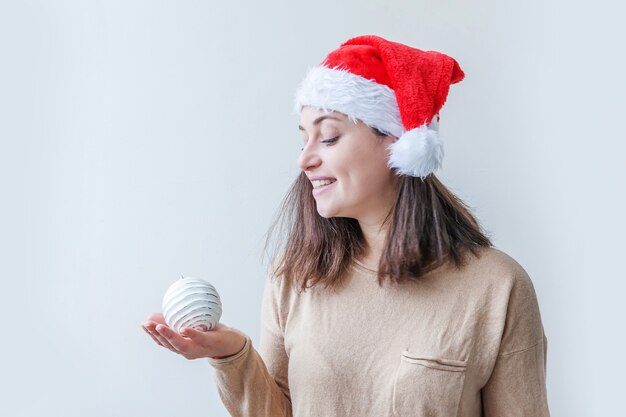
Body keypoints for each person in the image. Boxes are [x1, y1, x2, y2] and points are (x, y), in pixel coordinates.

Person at [142, 35, 550, 417]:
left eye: (330, 137)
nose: (304, 160)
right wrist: (232, 354)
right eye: (303, 139)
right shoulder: (293, 275)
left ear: (398, 144)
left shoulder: (498, 286)